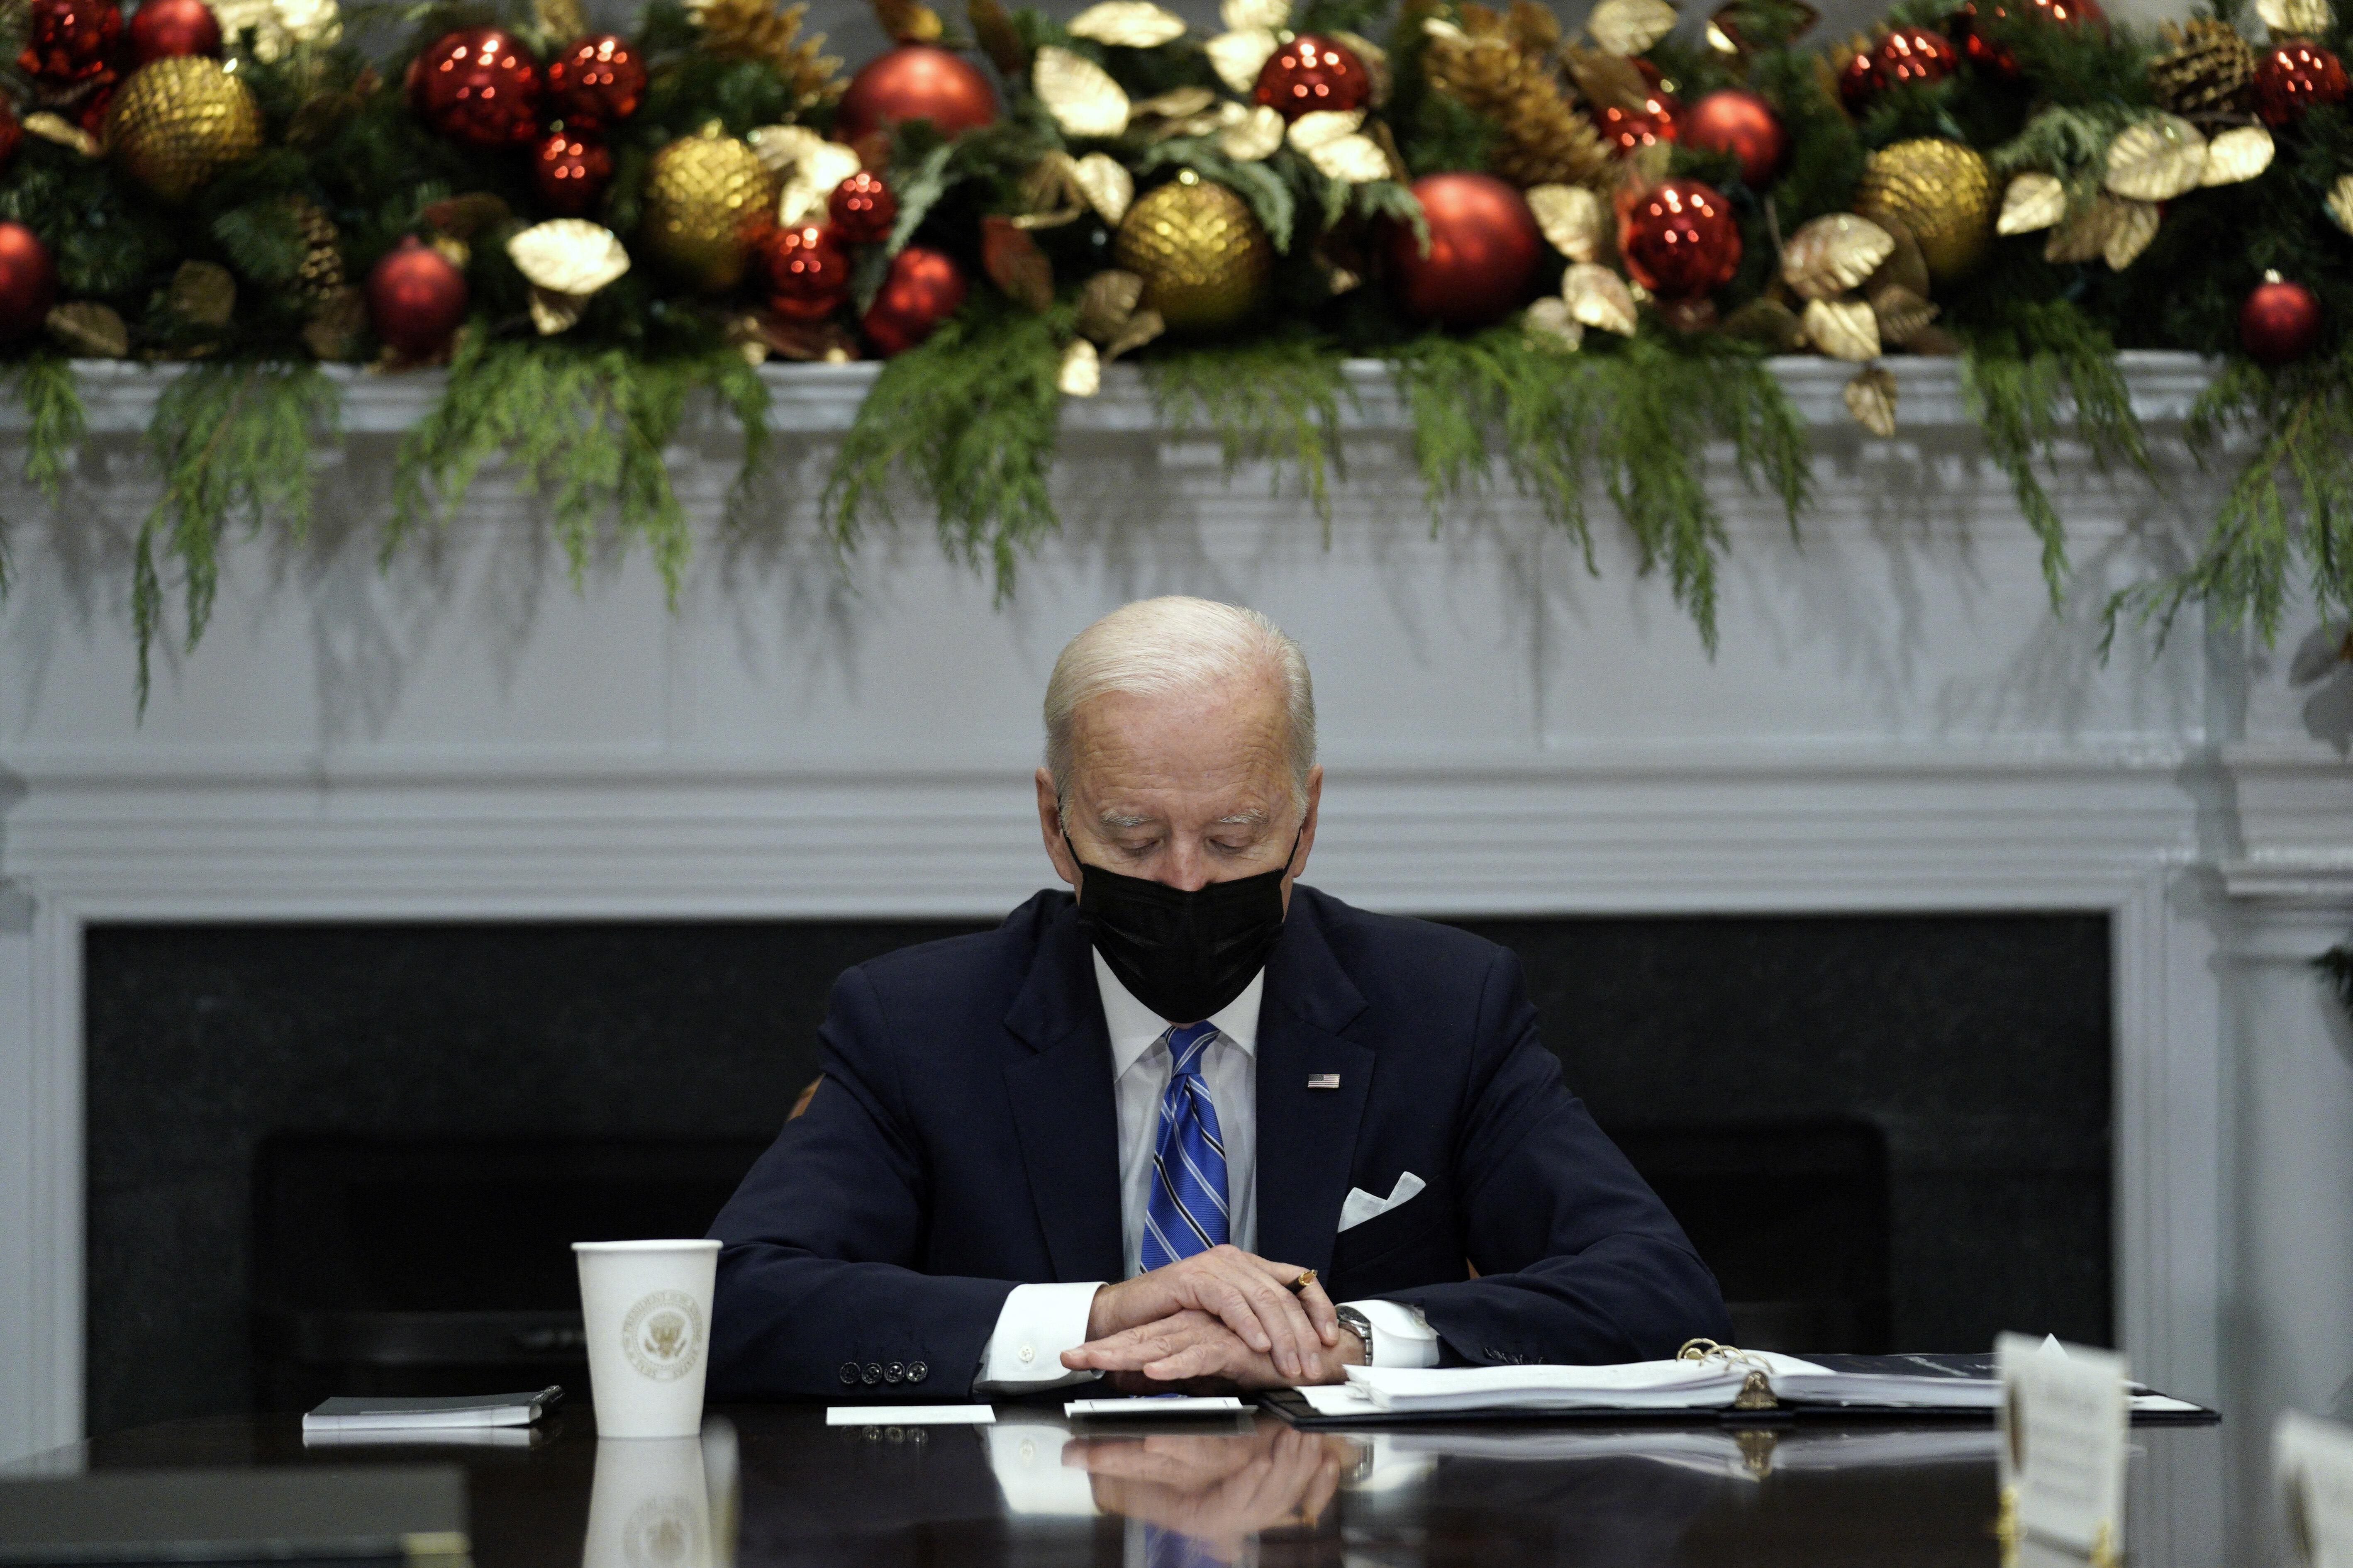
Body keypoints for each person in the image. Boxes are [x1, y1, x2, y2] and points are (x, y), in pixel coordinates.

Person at [708, 597, 1730, 1400]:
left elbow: (1652, 1288)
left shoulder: (1442, 1007)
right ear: (1054, 823)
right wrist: (1097, 1318)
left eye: (1236, 839)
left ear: (1307, 818)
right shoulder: (919, 1023)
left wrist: (1344, 1338)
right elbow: (736, 1299)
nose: (1189, 882)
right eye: (1135, 839)